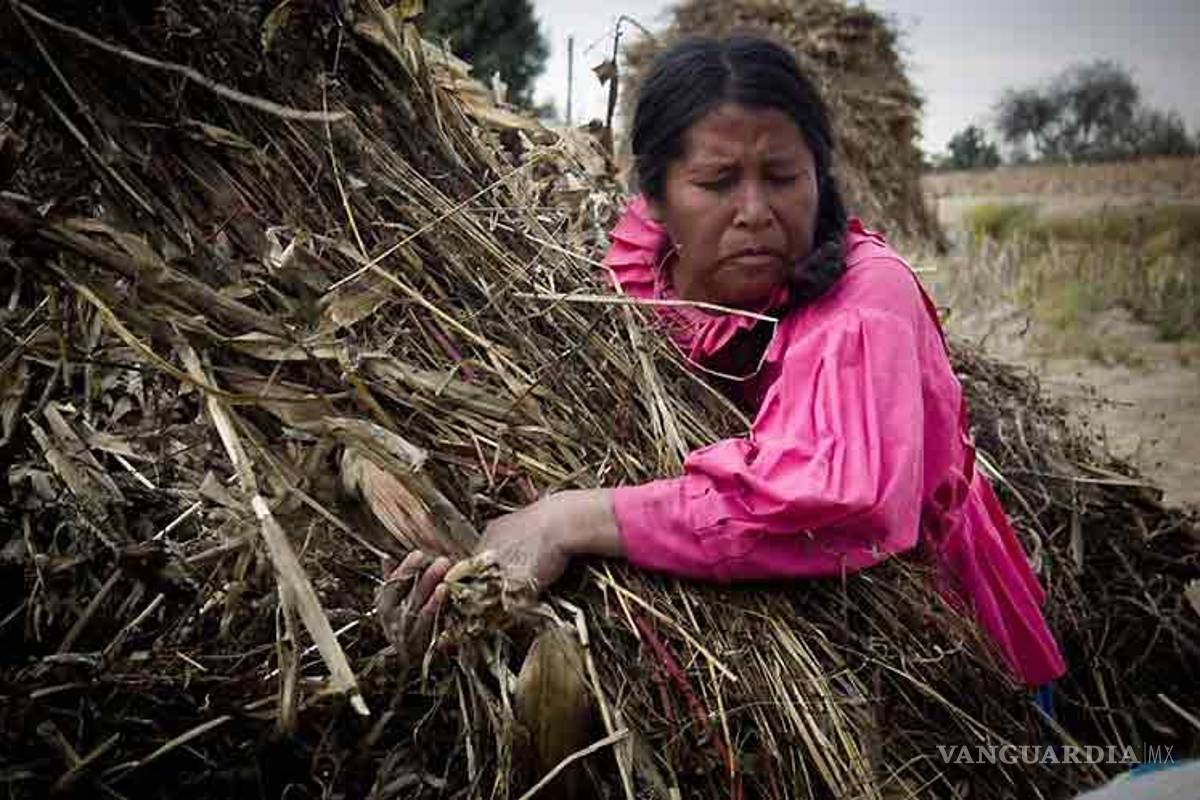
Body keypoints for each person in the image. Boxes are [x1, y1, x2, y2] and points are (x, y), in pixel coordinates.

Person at [379, 33, 1066, 689]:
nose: (755, 211)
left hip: (938, 657)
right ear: (655, 197)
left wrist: (566, 520)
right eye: (716, 182)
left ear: (818, 179)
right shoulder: (640, 279)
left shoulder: (864, 303)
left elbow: (834, 499)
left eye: (782, 177)